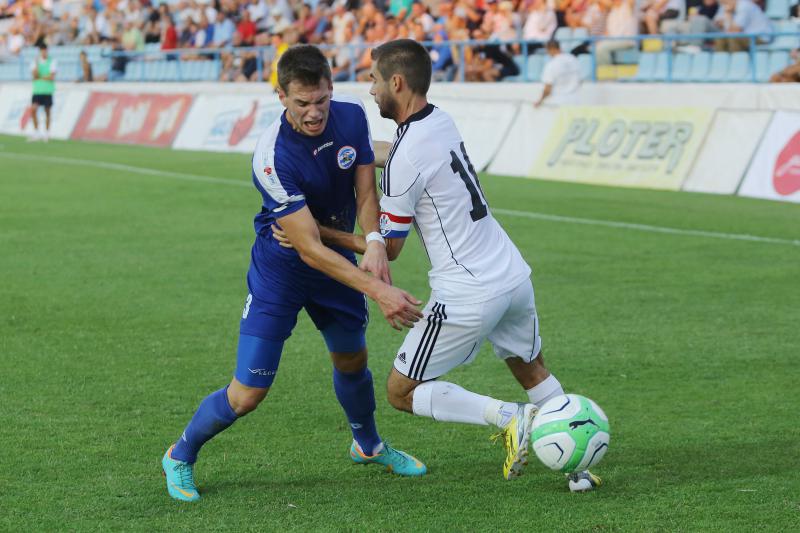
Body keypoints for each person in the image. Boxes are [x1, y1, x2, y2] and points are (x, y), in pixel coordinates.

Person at [275, 39, 601, 491]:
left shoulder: (404, 159)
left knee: (400, 391)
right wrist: (358, 151)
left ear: (396, 82)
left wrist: (317, 232)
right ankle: (578, 468)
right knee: (532, 369)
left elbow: (388, 248)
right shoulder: (441, 121)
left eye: (373, 80)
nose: (369, 90)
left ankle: (511, 417)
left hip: (468, 292)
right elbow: (402, 153)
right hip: (512, 274)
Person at [161, 44, 427, 503]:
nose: (314, 112)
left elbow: (366, 192)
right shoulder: (272, 156)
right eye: (302, 103)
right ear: (281, 96)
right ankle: (179, 454)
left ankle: (367, 446)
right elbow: (308, 248)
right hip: (281, 273)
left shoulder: (352, 115)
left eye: (321, 99)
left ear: (331, 88)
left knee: (352, 360)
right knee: (248, 393)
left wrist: (375, 240)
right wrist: (378, 289)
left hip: (334, 268)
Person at [535, 40, 582, 107]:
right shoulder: (573, 59)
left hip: (559, 102)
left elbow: (547, 89)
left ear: (550, 49)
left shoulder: (551, 65)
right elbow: (580, 80)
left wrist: (540, 101)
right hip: (576, 101)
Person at [29, 41, 56, 142]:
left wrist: (41, 77)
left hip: (47, 90)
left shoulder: (52, 61)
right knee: (33, 110)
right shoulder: (35, 61)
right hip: (37, 90)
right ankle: (36, 132)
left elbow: (51, 77)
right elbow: (35, 75)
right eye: (42, 51)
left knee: (47, 112)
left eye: (45, 50)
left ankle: (47, 133)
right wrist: (37, 65)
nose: (43, 52)